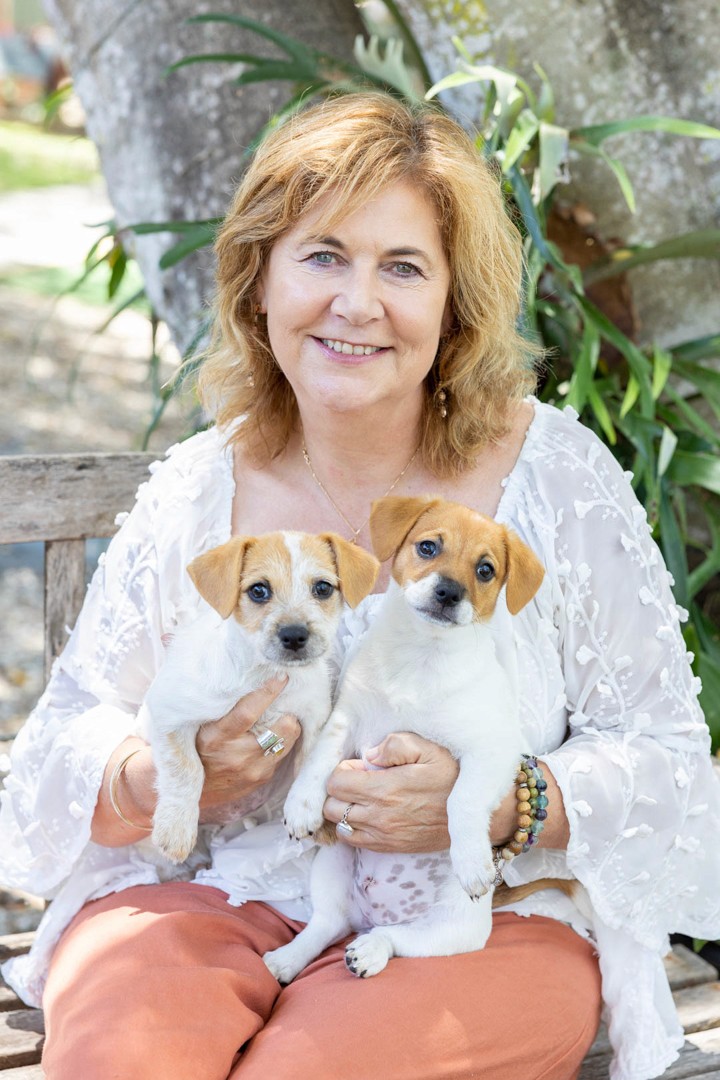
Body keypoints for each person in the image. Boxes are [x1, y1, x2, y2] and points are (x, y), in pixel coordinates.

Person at [1, 90, 719, 1080]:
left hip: (477, 918)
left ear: (454, 304)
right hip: (225, 897)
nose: (358, 301)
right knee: (126, 1054)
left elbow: (668, 755)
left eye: (403, 267)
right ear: (259, 279)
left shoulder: (552, 479)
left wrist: (505, 800)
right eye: (324, 255)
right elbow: (74, 727)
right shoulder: (200, 492)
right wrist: (173, 768)